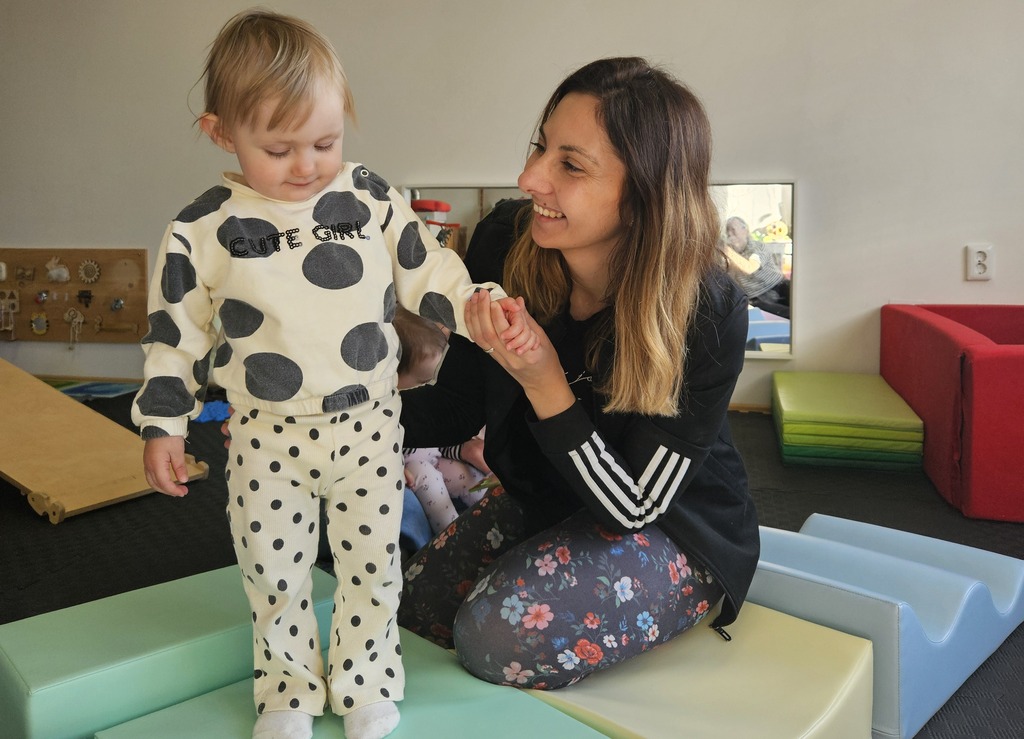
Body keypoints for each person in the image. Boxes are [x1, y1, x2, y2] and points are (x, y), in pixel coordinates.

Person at [132, 10, 532, 739]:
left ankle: (365, 682)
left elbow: (427, 267)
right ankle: (287, 689)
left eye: (325, 141)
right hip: (265, 435)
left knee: (372, 566)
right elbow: (174, 334)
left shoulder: (368, 196)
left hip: (367, 424)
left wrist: (479, 304)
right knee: (274, 572)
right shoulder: (202, 229)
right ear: (220, 133)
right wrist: (164, 424)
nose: (306, 165)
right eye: (278, 149)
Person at [396, 56, 760, 689]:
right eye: (541, 148)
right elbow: (459, 402)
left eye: (571, 165)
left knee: (493, 636)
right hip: (549, 498)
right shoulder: (505, 243)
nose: (528, 177)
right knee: (411, 609)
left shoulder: (705, 309)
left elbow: (633, 508)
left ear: (644, 194)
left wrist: (545, 382)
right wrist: (327, 415)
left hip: (674, 529)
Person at [393, 307, 490, 534]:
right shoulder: (383, 408)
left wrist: (462, 451)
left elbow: (438, 438)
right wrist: (394, 466)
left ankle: (494, 524)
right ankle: (455, 539)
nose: (428, 385)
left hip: (437, 453)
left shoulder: (423, 405)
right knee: (433, 489)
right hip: (411, 465)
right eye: (422, 380)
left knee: (470, 481)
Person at [719, 215, 791, 318]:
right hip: (756, 297)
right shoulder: (727, 255)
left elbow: (750, 268)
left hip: (779, 285)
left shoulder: (757, 246)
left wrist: (725, 249)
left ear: (745, 230)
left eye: (733, 230)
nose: (729, 234)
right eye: (727, 230)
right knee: (790, 315)